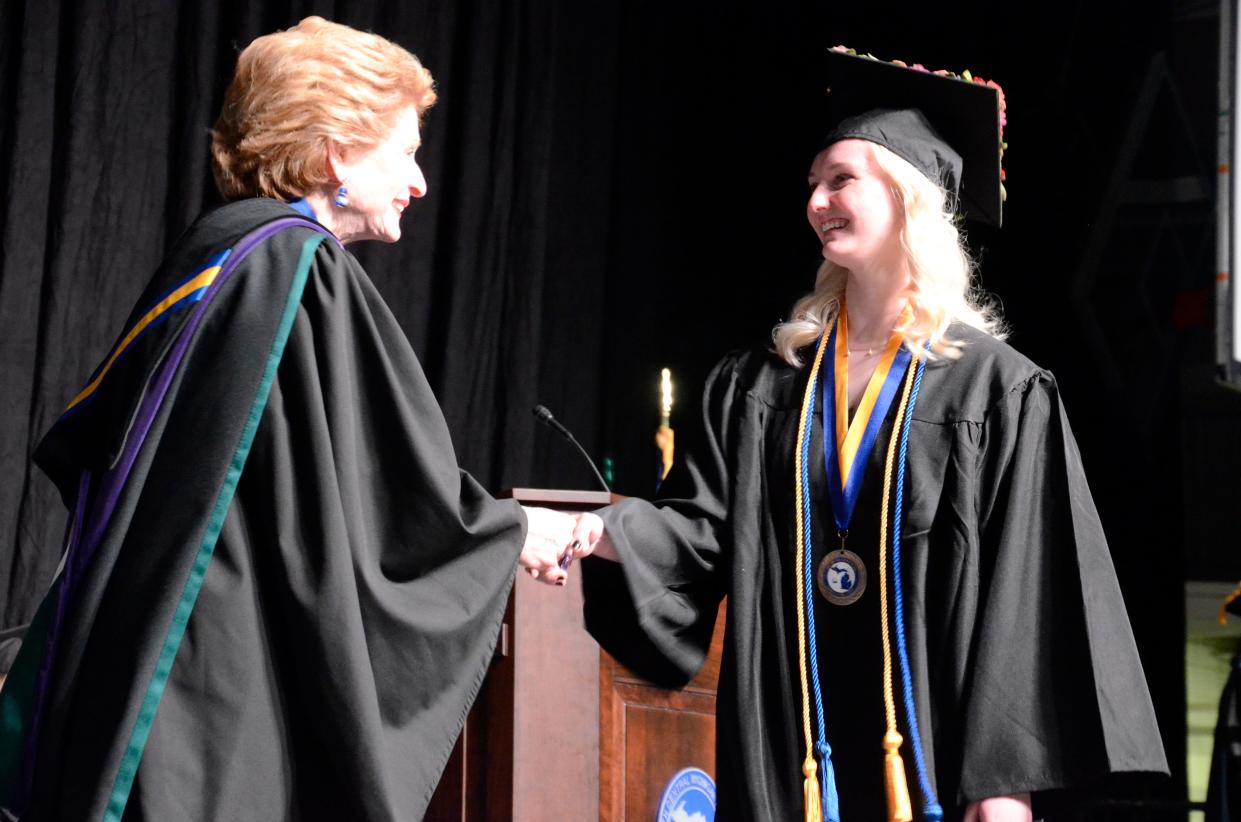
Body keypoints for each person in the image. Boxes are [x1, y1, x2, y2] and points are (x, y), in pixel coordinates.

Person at [558, 49, 1169, 821]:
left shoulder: (996, 388)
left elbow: (1024, 597)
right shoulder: (763, 384)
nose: (815, 200)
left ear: (906, 195)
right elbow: (700, 533)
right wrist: (589, 530)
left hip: (938, 757)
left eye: (840, 178)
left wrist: (1002, 784)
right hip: (788, 749)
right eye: (811, 184)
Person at [0, 17, 575, 821]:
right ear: (338, 150)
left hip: (145, 666)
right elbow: (385, 499)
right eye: (406, 151)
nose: (420, 182)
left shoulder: (220, 254)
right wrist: (510, 531)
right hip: (224, 684)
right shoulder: (296, 266)